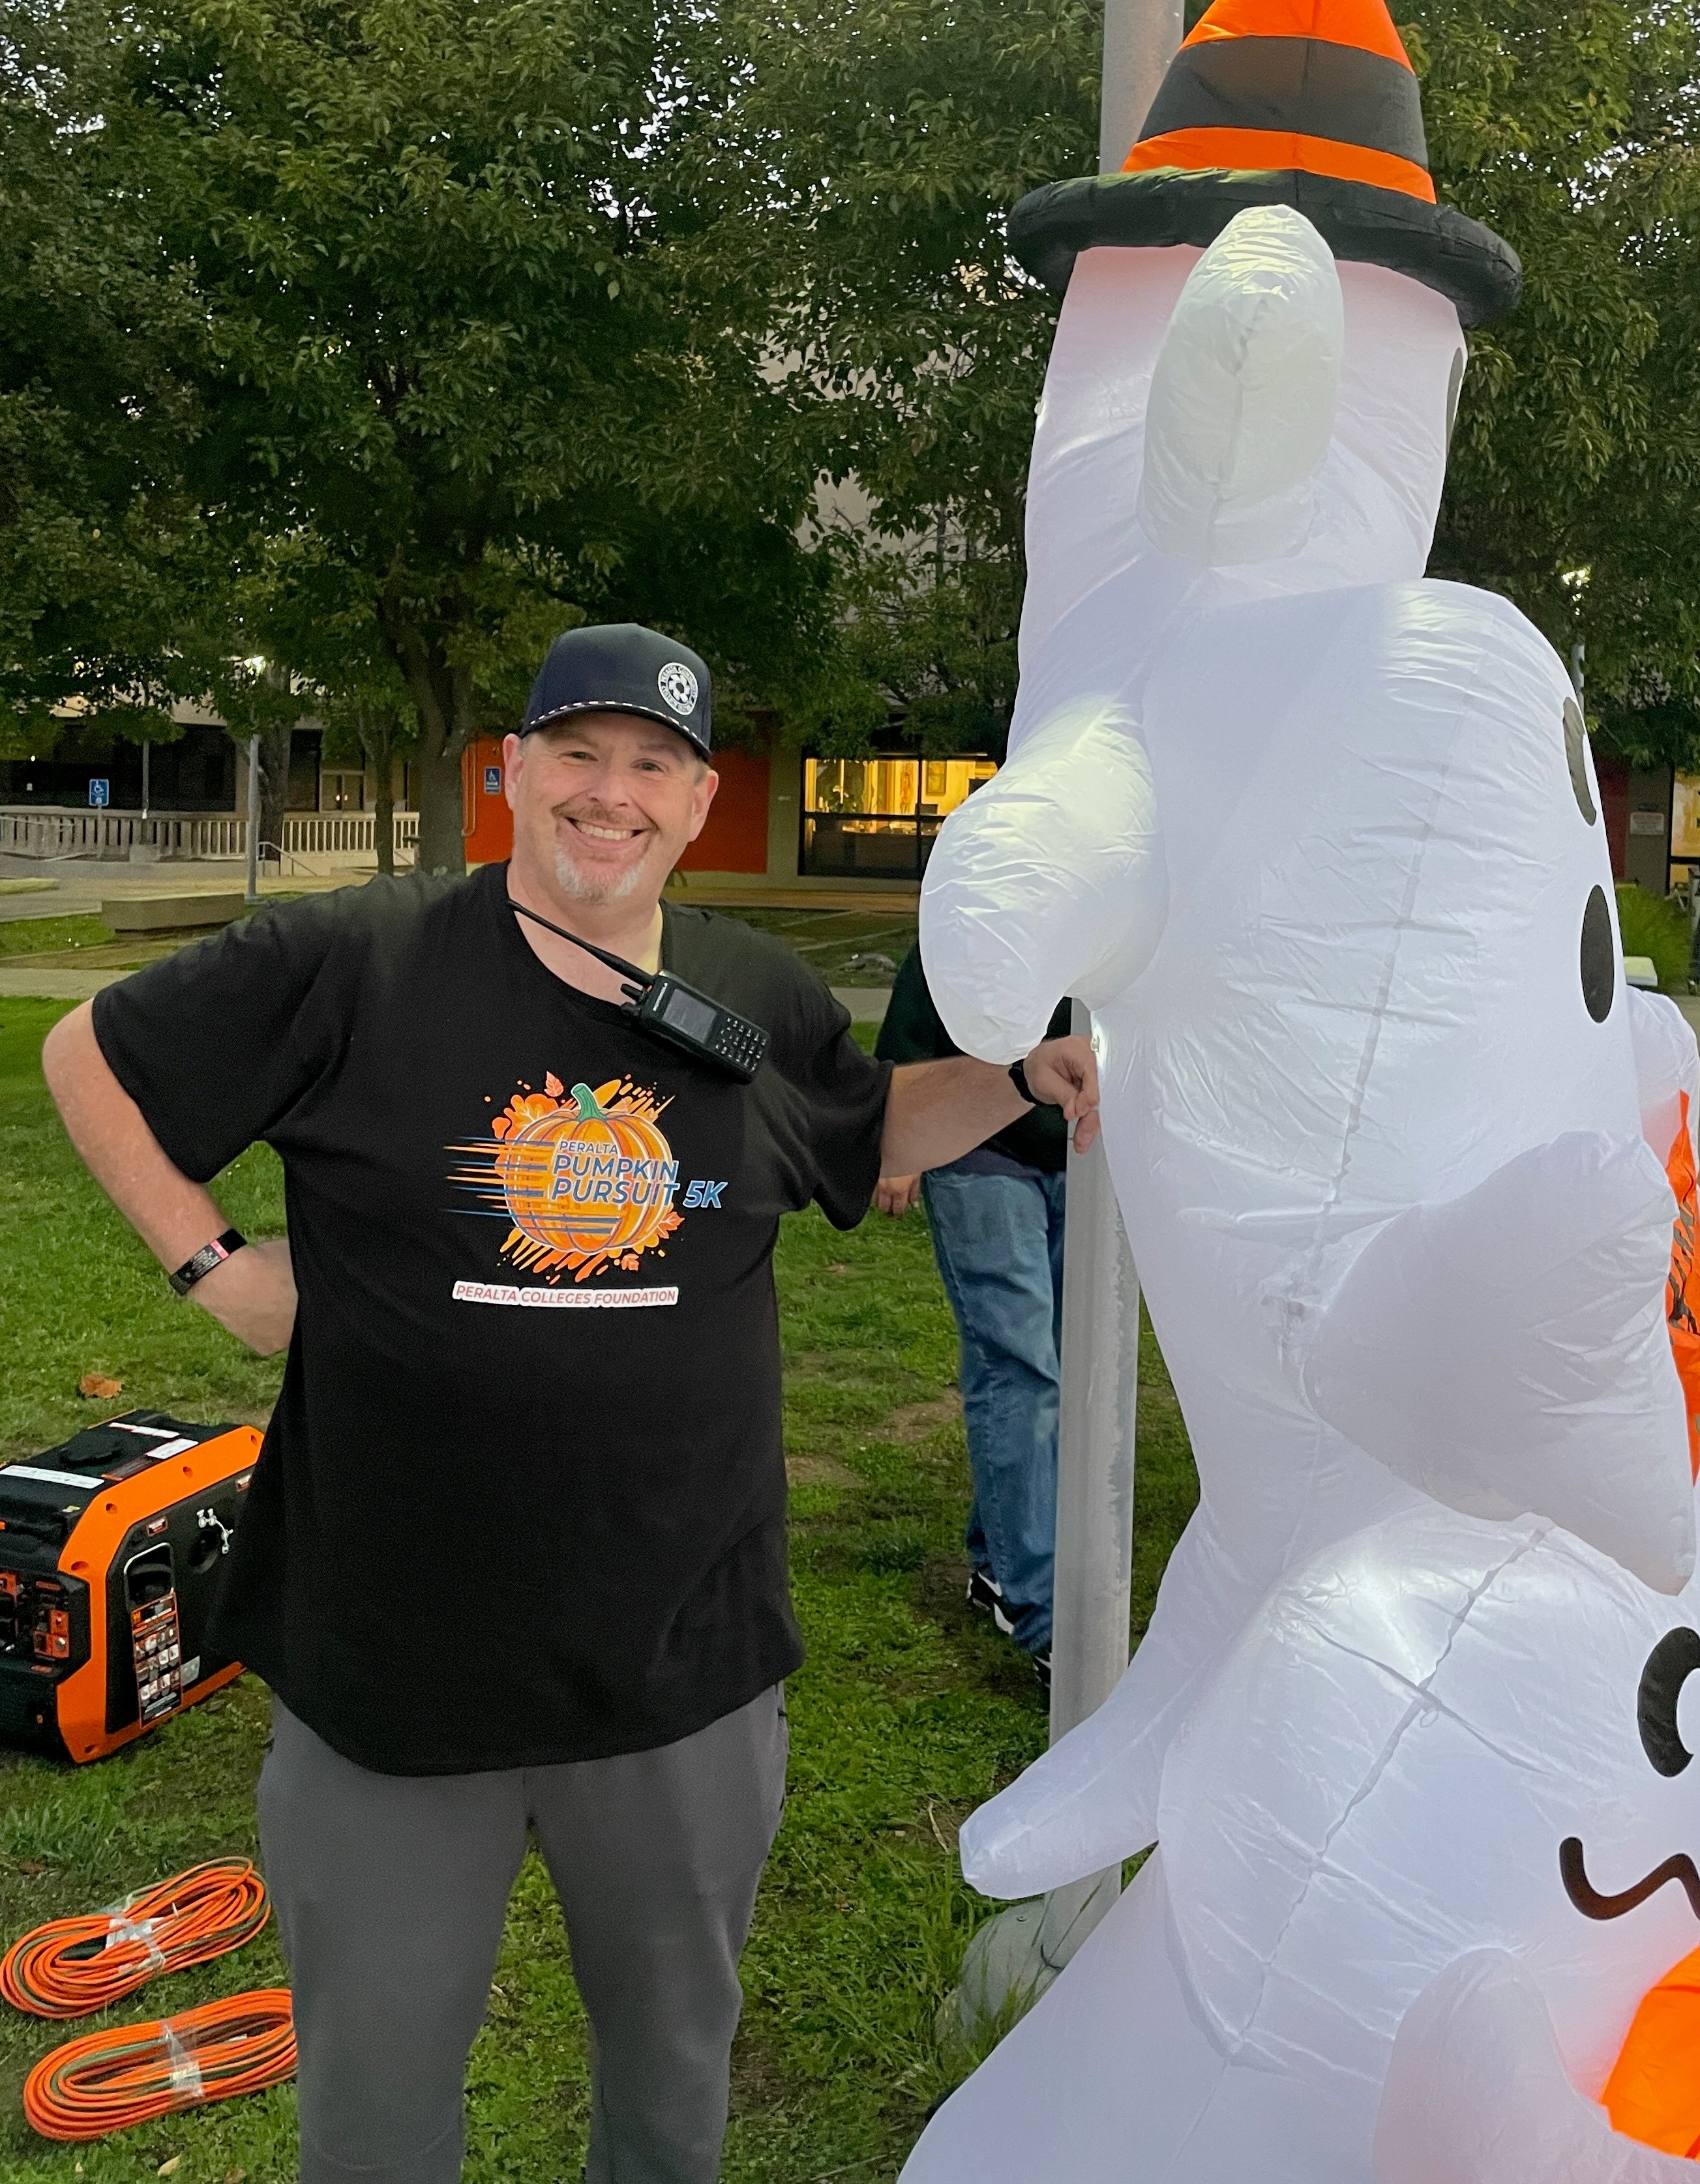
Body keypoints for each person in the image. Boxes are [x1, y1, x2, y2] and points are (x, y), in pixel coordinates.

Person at [40, 623, 1099, 2184]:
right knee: (376, 2118)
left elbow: (863, 1127)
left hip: (683, 1668)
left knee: (670, 2092)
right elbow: (89, 1053)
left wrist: (1019, 1079)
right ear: (513, 774)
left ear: (699, 801)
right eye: (580, 755)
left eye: (654, 766)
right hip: (389, 1670)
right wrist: (213, 1268)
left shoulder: (752, 991)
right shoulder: (359, 958)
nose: (614, 794)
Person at [875, 945, 1069, 1683]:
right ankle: (1046, 1617)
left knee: (1063, 1368)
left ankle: (997, 1563)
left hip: (1084, 1153)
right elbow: (909, 1030)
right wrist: (901, 1145)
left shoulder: (1119, 910)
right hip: (979, 1151)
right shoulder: (973, 915)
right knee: (1021, 1371)